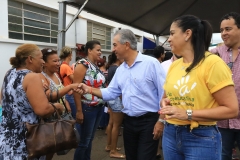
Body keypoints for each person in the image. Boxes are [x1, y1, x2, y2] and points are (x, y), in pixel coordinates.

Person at [77, 29, 166, 160]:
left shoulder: (151, 64)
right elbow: (110, 92)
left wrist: (161, 120)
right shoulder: (121, 70)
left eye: (114, 45)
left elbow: (164, 92)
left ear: (126, 44)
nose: (113, 49)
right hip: (129, 122)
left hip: (149, 122)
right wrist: (88, 89)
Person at [160, 15, 238, 160]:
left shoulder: (213, 64)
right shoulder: (175, 65)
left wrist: (187, 114)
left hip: (201, 136)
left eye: (172, 33)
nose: (169, 39)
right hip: (170, 133)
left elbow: (231, 109)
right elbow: (165, 98)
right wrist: (165, 103)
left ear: (187, 34)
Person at [0, 44, 64, 160]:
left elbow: (3, 99)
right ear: (30, 59)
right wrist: (57, 106)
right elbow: (42, 110)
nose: (43, 62)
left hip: (7, 137)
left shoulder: (9, 73)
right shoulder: (32, 77)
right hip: (27, 139)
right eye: (40, 58)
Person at [210, 12, 240, 160]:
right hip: (223, 121)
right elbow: (197, 55)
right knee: (222, 155)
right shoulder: (217, 52)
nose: (223, 33)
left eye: (228, 29)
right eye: (221, 30)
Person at [73, 40, 106, 160]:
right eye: (98, 50)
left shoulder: (95, 65)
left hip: (98, 107)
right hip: (87, 108)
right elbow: (76, 88)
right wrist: (79, 111)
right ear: (89, 50)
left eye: (100, 50)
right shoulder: (83, 64)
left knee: (89, 139)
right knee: (84, 142)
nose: (100, 52)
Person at [105, 51, 125, 159]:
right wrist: (124, 101)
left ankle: (109, 145)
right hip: (117, 98)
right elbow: (120, 87)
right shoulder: (118, 68)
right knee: (116, 125)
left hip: (111, 97)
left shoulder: (111, 67)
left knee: (111, 123)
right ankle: (113, 150)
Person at [59, 47, 77, 119]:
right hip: (69, 92)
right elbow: (74, 79)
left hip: (65, 91)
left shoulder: (62, 65)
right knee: (74, 114)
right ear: (69, 55)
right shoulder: (66, 67)